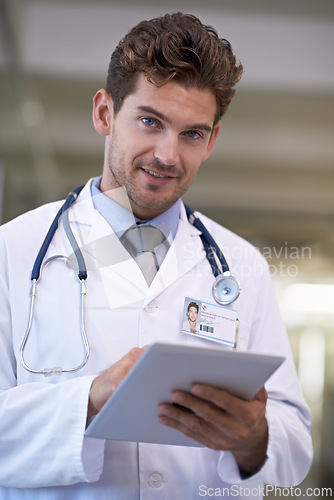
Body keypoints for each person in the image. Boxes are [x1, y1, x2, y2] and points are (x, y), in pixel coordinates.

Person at [0, 12, 312, 499]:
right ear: (105, 113)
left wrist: (256, 439)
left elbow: (294, 443)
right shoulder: (13, 252)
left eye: (192, 133)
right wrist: (88, 400)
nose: (168, 155)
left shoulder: (241, 265)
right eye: (150, 121)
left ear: (211, 140)